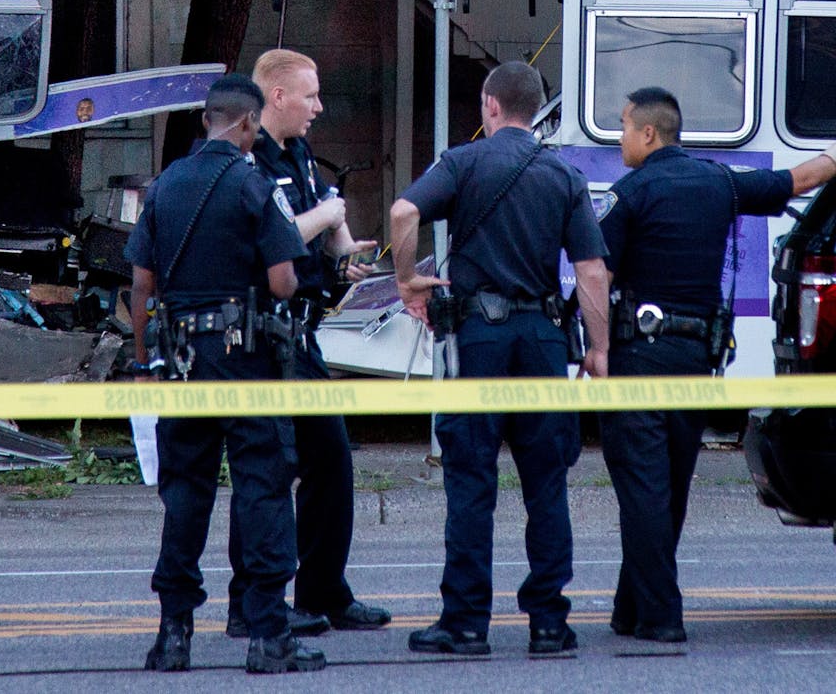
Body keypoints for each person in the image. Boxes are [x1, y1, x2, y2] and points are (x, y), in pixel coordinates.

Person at [595, 87, 836, 644]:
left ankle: (660, 615)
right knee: (669, 488)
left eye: (625, 126)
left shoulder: (628, 194)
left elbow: (598, 276)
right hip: (696, 361)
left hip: (639, 358)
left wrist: (598, 349)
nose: (621, 136)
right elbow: (800, 181)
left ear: (649, 134)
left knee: (642, 488)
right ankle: (630, 607)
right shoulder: (719, 182)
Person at [389, 60, 611, 657]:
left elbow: (404, 213)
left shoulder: (462, 163)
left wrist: (408, 278)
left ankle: (464, 623)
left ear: (490, 105)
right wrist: (600, 351)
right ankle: (548, 622)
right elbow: (591, 270)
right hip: (542, 337)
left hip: (476, 341)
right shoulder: (562, 176)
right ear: (535, 108)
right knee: (546, 480)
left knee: (470, 477)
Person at [124, 74, 324, 674]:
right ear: (242, 124)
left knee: (184, 493)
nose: (257, 134)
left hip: (182, 362)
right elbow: (285, 280)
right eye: (256, 125)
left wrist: (143, 364)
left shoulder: (163, 188)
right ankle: (269, 637)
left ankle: (173, 636)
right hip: (247, 358)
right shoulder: (254, 183)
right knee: (262, 488)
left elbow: (141, 286)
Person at [220, 49, 390, 640]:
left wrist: (343, 265)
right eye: (311, 95)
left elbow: (311, 247)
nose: (319, 106)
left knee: (330, 460)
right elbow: (280, 234)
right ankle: (251, 603)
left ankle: (322, 591)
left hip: (301, 335)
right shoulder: (249, 161)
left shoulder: (302, 156)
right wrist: (328, 214)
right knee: (266, 471)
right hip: (260, 338)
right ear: (277, 97)